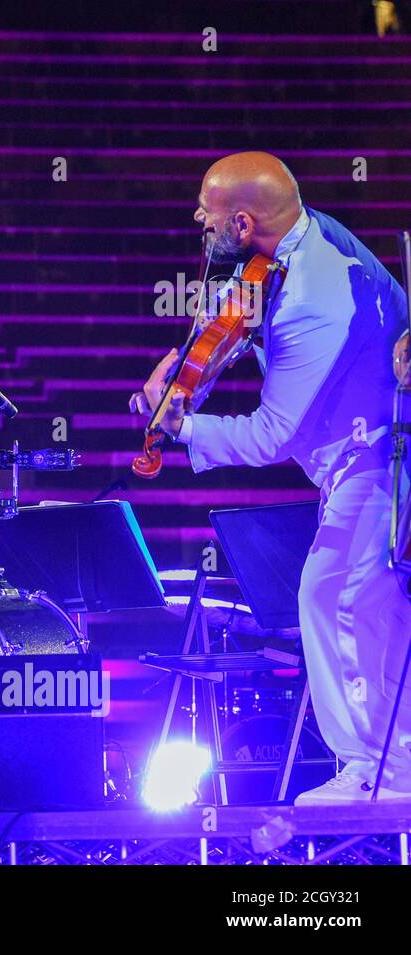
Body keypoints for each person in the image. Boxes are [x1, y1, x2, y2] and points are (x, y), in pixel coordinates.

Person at [131, 150, 411, 804]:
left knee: (339, 594)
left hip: (378, 458)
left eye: (208, 212)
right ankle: (385, 766)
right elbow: (239, 315)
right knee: (351, 600)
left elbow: (268, 435)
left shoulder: (312, 302)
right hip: (363, 453)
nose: (198, 219)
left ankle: (381, 773)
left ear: (243, 223)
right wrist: (191, 361)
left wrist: (183, 426)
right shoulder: (299, 238)